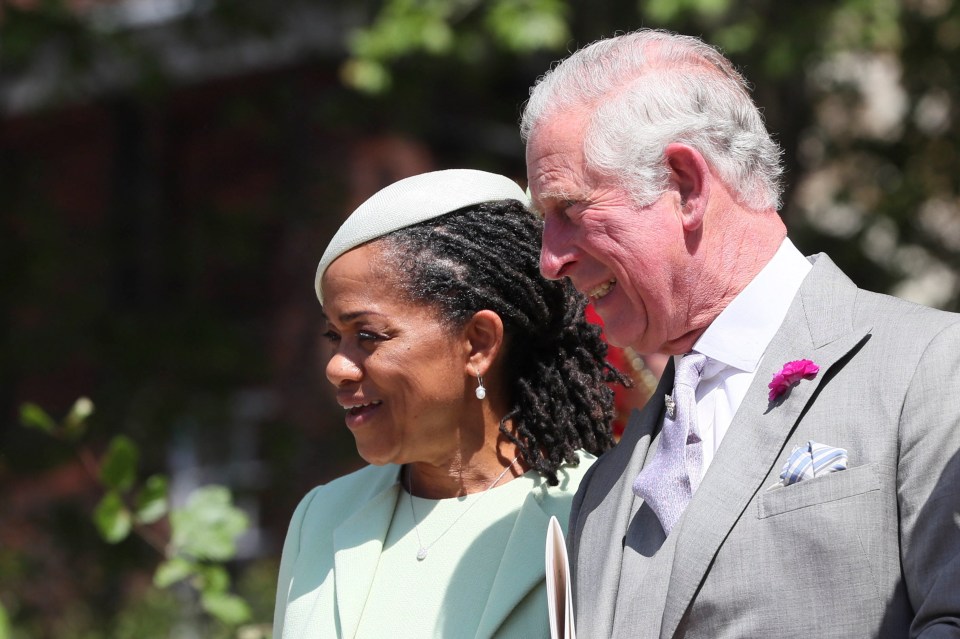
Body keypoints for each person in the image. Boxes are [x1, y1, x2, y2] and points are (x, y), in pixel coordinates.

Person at [521, 29, 960, 638]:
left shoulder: (932, 367)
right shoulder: (604, 489)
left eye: (569, 210)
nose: (550, 259)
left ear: (685, 186)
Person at [272, 169, 626, 638]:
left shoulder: (602, 515)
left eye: (368, 336)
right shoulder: (321, 517)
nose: (337, 367)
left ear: (478, 343)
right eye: (334, 337)